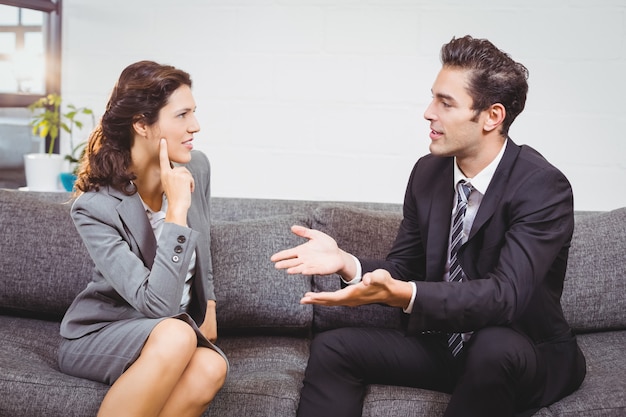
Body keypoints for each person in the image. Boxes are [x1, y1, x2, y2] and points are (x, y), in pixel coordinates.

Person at [271, 35, 586, 417]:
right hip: (447, 346)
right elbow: (404, 268)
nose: (428, 112)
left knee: (492, 347)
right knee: (334, 347)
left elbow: (505, 298)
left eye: (445, 102)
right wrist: (347, 265)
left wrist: (406, 295)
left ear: (492, 116)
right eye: (433, 97)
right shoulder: (428, 172)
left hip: (524, 352)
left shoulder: (541, 186)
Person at [58, 60, 228, 417]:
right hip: (104, 332)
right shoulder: (95, 208)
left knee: (212, 367)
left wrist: (209, 304)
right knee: (178, 334)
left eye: (193, 113)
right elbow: (160, 308)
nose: (195, 126)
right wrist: (176, 211)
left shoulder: (197, 166)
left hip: (173, 330)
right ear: (141, 124)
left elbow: (205, 241)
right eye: (181, 115)